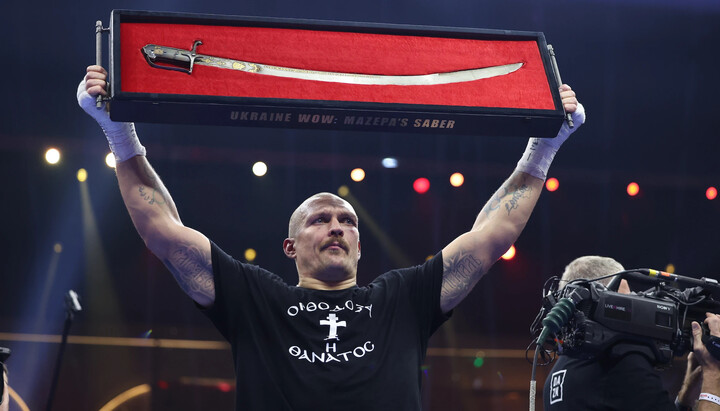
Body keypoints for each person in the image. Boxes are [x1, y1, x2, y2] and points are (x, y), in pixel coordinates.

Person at [79, 64, 584, 410]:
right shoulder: (257, 299)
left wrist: (546, 144)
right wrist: (116, 131)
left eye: (347, 221)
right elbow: (164, 233)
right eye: (320, 219)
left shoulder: (400, 300)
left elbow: (490, 237)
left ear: (361, 246)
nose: (338, 226)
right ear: (290, 246)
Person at [543, 256, 720, 411]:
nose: (635, 302)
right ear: (604, 300)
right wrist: (713, 373)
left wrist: (687, 394)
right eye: (627, 298)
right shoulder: (619, 359)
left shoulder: (555, 376)